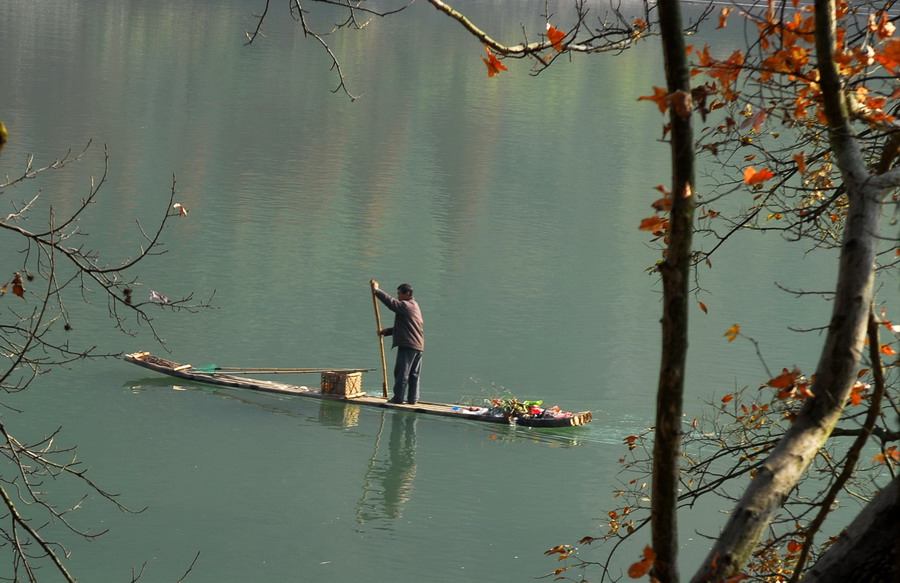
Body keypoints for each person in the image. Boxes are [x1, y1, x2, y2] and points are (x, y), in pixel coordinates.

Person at [371, 280, 425, 405]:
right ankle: (412, 399)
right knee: (414, 374)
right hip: (418, 346)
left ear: (407, 294)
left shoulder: (407, 305)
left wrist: (377, 291)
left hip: (408, 345)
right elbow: (406, 327)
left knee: (402, 372)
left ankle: (398, 398)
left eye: (399, 294)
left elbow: (391, 303)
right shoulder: (414, 306)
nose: (398, 297)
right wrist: (386, 331)